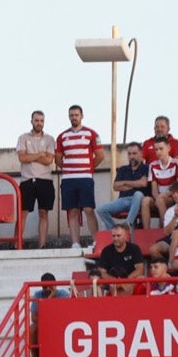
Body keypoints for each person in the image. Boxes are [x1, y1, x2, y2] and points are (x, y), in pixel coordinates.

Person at [56, 105, 104, 252]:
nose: (74, 117)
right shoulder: (62, 136)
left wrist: (87, 169)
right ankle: (75, 243)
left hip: (85, 178)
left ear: (82, 116)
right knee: (72, 211)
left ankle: (96, 241)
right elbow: (58, 159)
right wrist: (69, 170)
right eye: (71, 115)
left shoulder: (92, 134)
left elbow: (100, 156)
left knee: (89, 209)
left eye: (76, 115)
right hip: (68, 179)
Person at [16, 110, 57, 248]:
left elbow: (49, 160)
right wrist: (40, 154)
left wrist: (31, 156)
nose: (39, 123)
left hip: (45, 180)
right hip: (27, 180)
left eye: (41, 120)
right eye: (36, 120)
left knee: (44, 212)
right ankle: (17, 244)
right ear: (31, 121)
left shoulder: (50, 139)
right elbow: (22, 158)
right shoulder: (23, 138)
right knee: (22, 213)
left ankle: (42, 245)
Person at [97, 142, 150, 231]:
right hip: (123, 200)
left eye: (134, 153)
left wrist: (125, 183)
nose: (131, 157)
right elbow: (115, 186)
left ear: (141, 153)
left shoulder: (147, 168)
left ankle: (128, 223)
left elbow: (143, 184)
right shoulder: (122, 169)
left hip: (139, 201)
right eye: (129, 154)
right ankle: (116, 231)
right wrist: (136, 183)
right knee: (101, 210)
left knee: (138, 194)